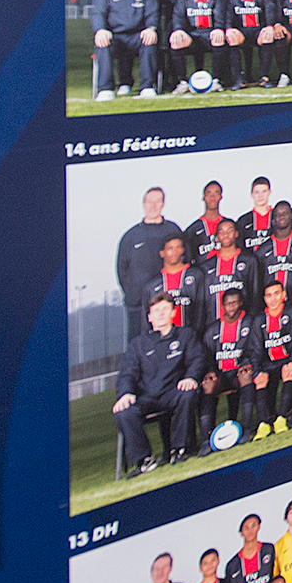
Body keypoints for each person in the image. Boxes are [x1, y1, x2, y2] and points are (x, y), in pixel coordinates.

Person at [113, 293, 203, 474]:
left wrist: (191, 377)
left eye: (165, 309)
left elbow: (197, 359)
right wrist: (125, 394)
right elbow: (127, 374)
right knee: (123, 411)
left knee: (188, 395)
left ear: (173, 313)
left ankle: (179, 450)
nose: (160, 314)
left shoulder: (186, 335)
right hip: (148, 397)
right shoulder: (138, 344)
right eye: (156, 311)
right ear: (149, 317)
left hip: (174, 392)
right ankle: (144, 459)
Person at [92, 0, 161, 102]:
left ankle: (147, 86)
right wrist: (100, 30)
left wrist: (151, 28)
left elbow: (152, 14)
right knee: (102, 42)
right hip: (115, 36)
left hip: (137, 36)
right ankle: (106, 89)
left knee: (149, 39)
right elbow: (98, 14)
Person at [199, 285, 260, 451]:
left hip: (238, 372)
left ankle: (247, 430)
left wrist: (247, 363)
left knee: (246, 376)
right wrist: (210, 372)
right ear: (222, 306)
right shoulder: (213, 329)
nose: (231, 307)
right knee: (208, 385)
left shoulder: (249, 322)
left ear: (240, 303)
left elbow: (255, 347)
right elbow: (206, 356)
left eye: (234, 303)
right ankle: (206, 441)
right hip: (221, 374)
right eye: (228, 304)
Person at [117, 188, 182, 341]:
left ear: (163, 204)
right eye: (149, 202)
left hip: (168, 302)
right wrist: (133, 295)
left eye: (157, 201)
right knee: (139, 346)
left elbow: (184, 261)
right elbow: (121, 269)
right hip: (138, 306)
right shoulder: (130, 236)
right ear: (143, 204)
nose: (153, 206)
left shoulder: (173, 230)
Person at [169, 0, 231, 91]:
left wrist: (219, 28)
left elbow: (221, 14)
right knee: (176, 40)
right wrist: (178, 30)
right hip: (193, 33)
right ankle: (183, 82)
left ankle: (216, 81)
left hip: (210, 32)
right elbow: (178, 15)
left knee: (218, 37)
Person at [253, 279, 292, 437]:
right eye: (269, 296)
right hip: (268, 364)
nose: (273, 299)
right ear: (264, 299)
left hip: (286, 360)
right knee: (260, 379)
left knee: (288, 371)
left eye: (276, 294)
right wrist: (257, 371)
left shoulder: (291, 312)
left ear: (283, 295)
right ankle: (263, 424)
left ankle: (281, 419)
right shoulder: (259, 320)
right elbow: (255, 349)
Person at [223, 0, 279, 88]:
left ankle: (264, 77)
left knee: (267, 36)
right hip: (241, 29)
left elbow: (270, 8)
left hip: (258, 28)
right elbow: (228, 11)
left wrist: (269, 26)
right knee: (232, 37)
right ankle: (239, 79)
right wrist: (228, 28)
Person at [225, 513, 278, 583]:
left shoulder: (268, 550)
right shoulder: (233, 565)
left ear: (259, 526)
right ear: (241, 532)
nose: (250, 531)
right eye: (246, 528)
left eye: (253, 525)